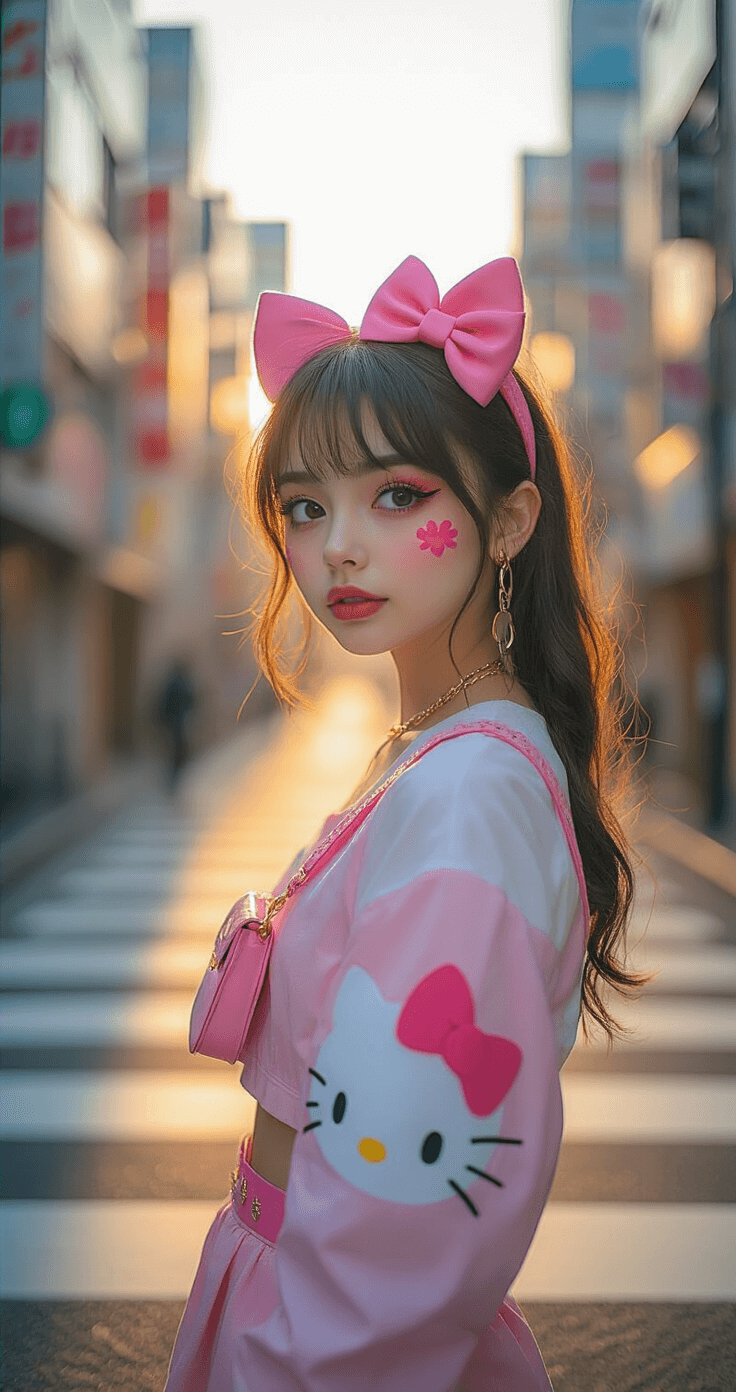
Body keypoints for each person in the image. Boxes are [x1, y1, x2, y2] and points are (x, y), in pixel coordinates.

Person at [164, 255, 641, 1391]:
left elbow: (408, 1221)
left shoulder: (467, 794)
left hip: (323, 1334)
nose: (335, 546)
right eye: (303, 506)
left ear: (509, 519)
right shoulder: (447, 752)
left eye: (397, 496)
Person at [155, 659, 196, 793]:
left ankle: (177, 781)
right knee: (179, 753)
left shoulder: (172, 683)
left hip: (174, 725)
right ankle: (179, 781)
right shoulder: (181, 684)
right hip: (179, 724)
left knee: (175, 754)